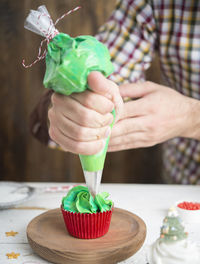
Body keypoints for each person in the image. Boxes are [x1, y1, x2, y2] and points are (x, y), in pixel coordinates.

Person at [31, 0, 200, 184]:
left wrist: (191, 118)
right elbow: (110, 71)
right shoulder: (156, 4)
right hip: (179, 192)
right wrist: (75, 109)